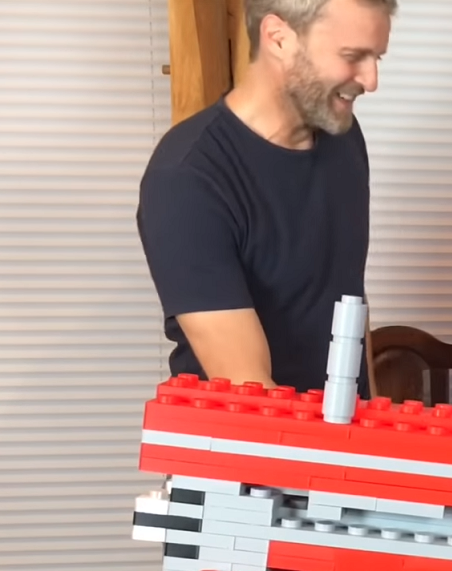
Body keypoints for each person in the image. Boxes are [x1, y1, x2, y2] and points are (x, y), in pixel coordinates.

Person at [135, 0, 396, 397]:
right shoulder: (187, 177)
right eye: (352, 56)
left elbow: (349, 299)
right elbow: (250, 391)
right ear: (278, 38)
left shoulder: (342, 137)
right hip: (247, 432)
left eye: (376, 57)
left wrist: (369, 414)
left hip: (337, 427)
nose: (371, 80)